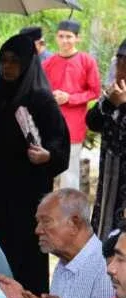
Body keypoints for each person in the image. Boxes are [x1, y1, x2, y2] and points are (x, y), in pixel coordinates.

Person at [0, 34, 69, 295]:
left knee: (26, 253)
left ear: (28, 63)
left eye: (14, 61)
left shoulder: (40, 100)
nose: (7, 67)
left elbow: (59, 144)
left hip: (27, 193)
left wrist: (47, 156)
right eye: (3, 61)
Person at [42, 20, 101, 191]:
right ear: (56, 38)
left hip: (74, 124)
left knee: (70, 170)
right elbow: (40, 89)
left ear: (77, 38)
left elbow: (94, 91)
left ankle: (68, 212)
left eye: (69, 37)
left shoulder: (86, 61)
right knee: (47, 166)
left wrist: (70, 98)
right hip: (50, 122)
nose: (65, 41)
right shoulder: (48, 63)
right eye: (61, 36)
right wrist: (50, 97)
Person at [88, 39, 126, 239]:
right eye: (118, 64)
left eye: (125, 65)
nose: (120, 70)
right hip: (109, 183)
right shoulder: (114, 93)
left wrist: (123, 106)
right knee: (105, 231)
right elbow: (92, 122)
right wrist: (110, 103)